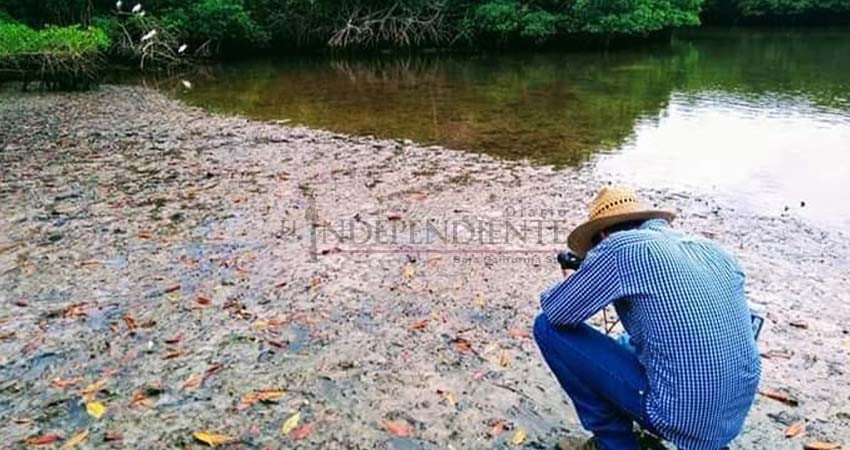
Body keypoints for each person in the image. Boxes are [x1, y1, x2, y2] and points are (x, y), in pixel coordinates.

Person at [533, 186, 760, 450]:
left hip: (683, 419)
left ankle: (614, 443)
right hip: (730, 420)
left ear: (603, 235)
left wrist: (586, 272)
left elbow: (556, 311)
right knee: (625, 342)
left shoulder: (619, 247)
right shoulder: (714, 251)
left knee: (545, 329)